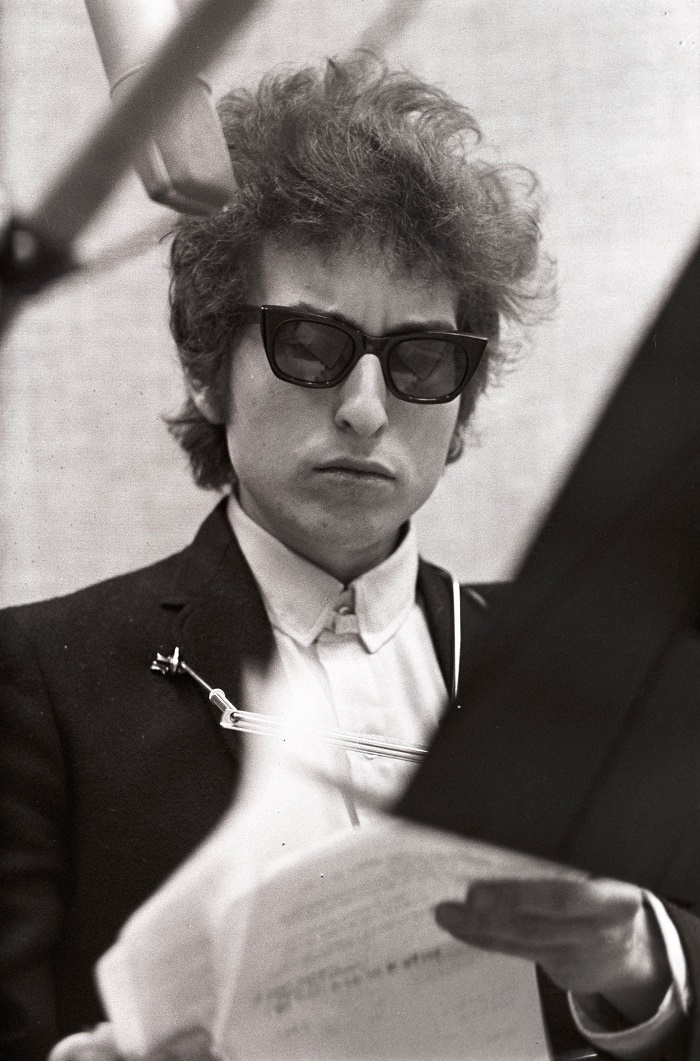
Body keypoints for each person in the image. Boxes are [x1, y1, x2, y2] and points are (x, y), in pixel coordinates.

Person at [0, 55, 691, 1061]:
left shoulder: (577, 671)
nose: (366, 409)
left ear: (461, 408)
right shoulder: (39, 677)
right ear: (207, 369)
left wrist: (640, 964)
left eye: (421, 360)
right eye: (311, 345)